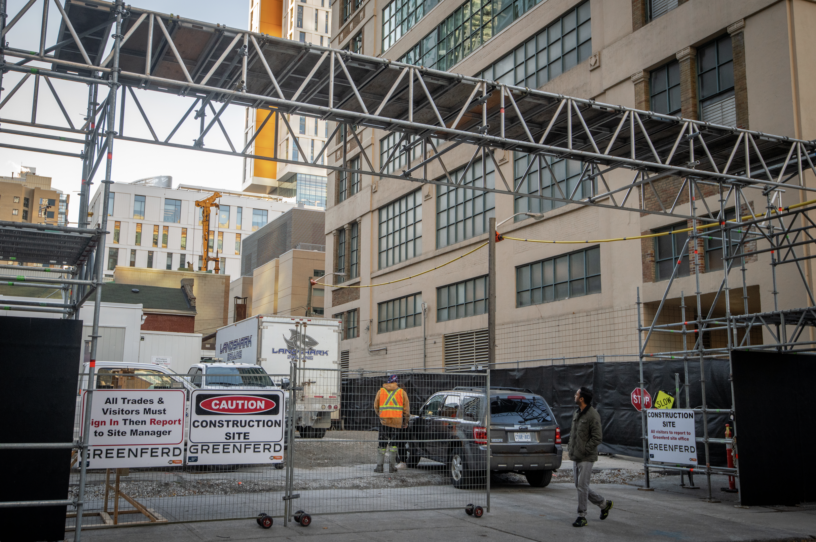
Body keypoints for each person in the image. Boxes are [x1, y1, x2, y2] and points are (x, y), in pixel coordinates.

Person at [568, 386, 613, 527]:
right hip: (576, 456)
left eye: (576, 394)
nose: (574, 396)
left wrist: (585, 449)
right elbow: (574, 435)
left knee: (582, 487)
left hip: (587, 457)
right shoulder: (577, 413)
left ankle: (582, 516)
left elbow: (597, 437)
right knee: (579, 486)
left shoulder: (593, 415)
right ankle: (603, 504)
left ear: (582, 398)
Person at [373, 374, 410, 473]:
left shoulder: (381, 391)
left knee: (382, 444)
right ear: (396, 382)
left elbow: (376, 406)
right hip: (397, 423)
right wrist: (405, 422)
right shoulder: (402, 393)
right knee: (393, 445)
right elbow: (406, 410)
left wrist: (381, 415)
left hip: (384, 422)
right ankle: (392, 467)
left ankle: (379, 467)